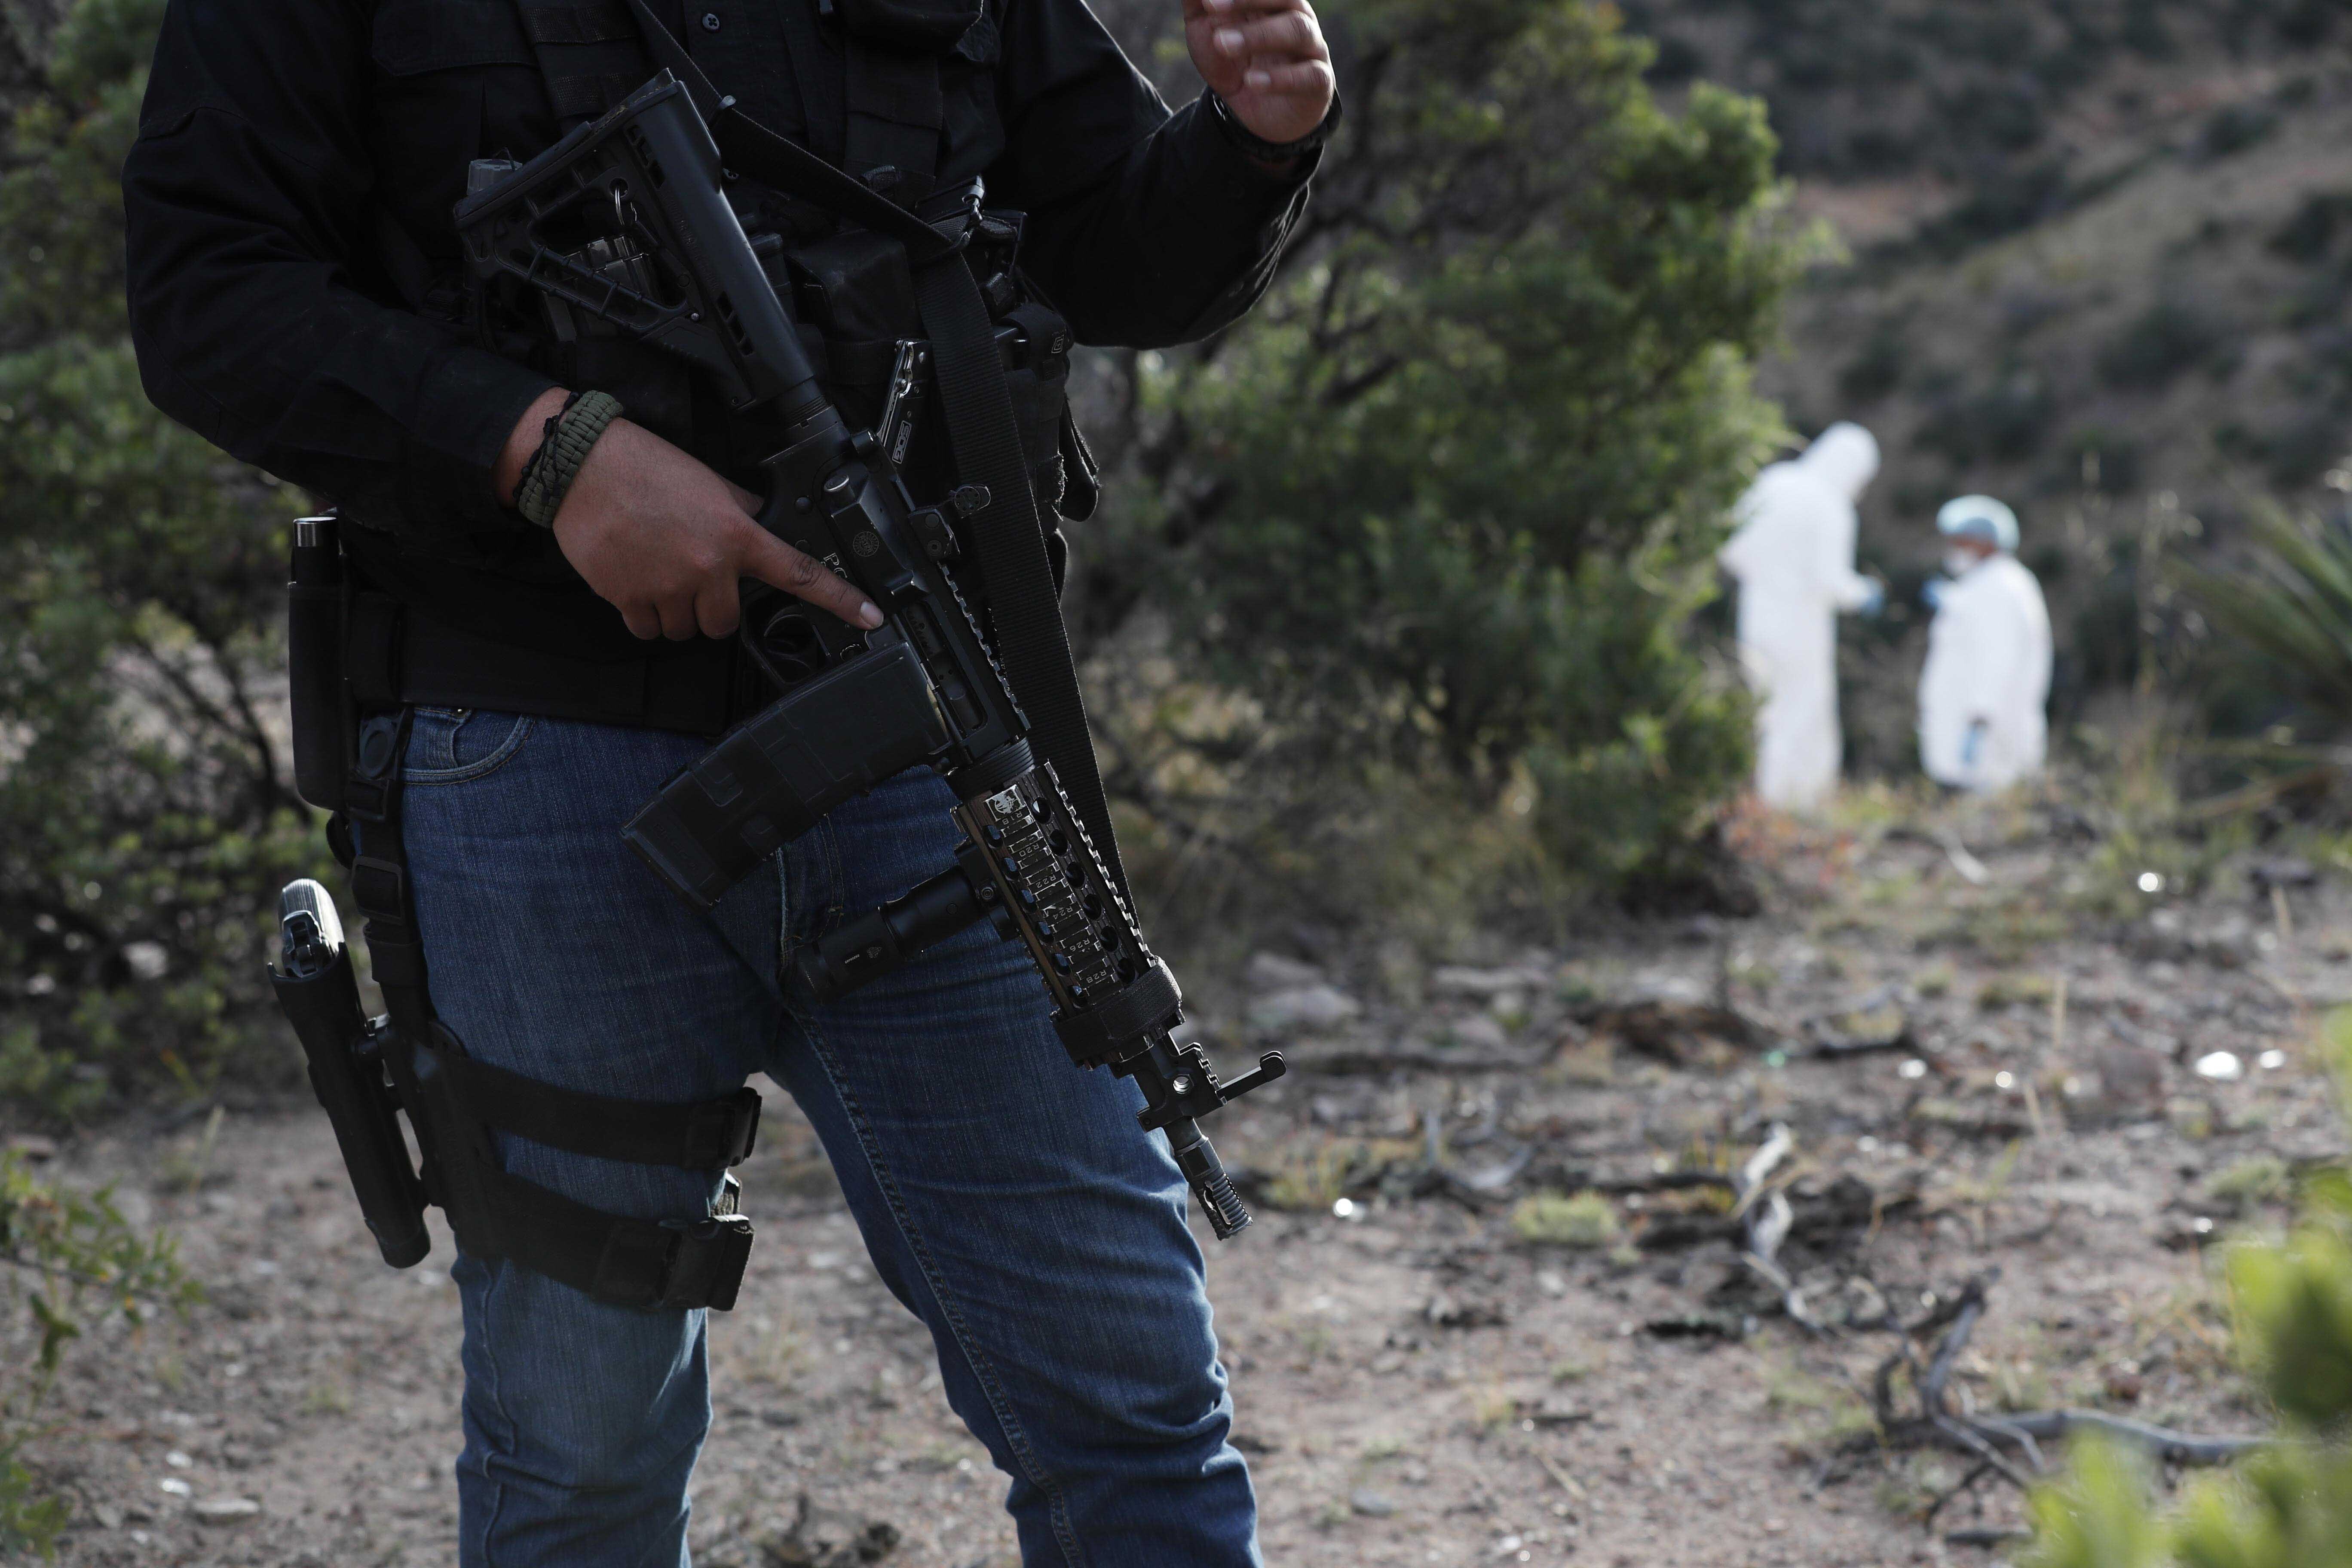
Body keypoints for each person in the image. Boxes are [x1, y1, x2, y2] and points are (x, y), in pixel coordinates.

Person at [121, 0, 1337, 1559]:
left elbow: (1108, 250)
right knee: (585, 1469)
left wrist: (1253, 139)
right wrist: (543, 450)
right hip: (539, 766)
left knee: (1134, 1415)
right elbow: (209, 291)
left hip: (929, 754)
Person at [1718, 422, 1885, 810]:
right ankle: (1798, 809)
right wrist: (1864, 594)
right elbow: (1832, 583)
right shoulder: (1830, 505)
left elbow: (1730, 548)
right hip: (1802, 628)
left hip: (1756, 618)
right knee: (1803, 716)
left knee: (1765, 716)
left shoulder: (1773, 482)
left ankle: (1765, 804)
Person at [1918, 494, 2052, 792]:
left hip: (1985, 731)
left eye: (1962, 541)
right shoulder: (1986, 584)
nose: (1955, 550)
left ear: (1986, 542)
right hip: (1970, 726)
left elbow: (1999, 657)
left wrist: (1980, 719)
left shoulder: (2001, 588)